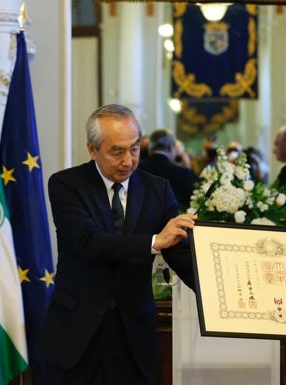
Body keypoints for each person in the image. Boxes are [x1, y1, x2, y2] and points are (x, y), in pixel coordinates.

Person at [39, 104, 197, 385]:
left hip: (133, 332)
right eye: (117, 151)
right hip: (74, 331)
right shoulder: (66, 185)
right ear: (92, 149)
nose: (128, 160)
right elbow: (88, 242)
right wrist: (154, 241)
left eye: (134, 149)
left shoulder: (158, 189)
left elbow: (179, 252)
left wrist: (223, 290)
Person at [138, 128, 196, 210]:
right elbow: (193, 203)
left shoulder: (137, 169)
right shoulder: (182, 173)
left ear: (150, 147)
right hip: (173, 221)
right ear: (170, 148)